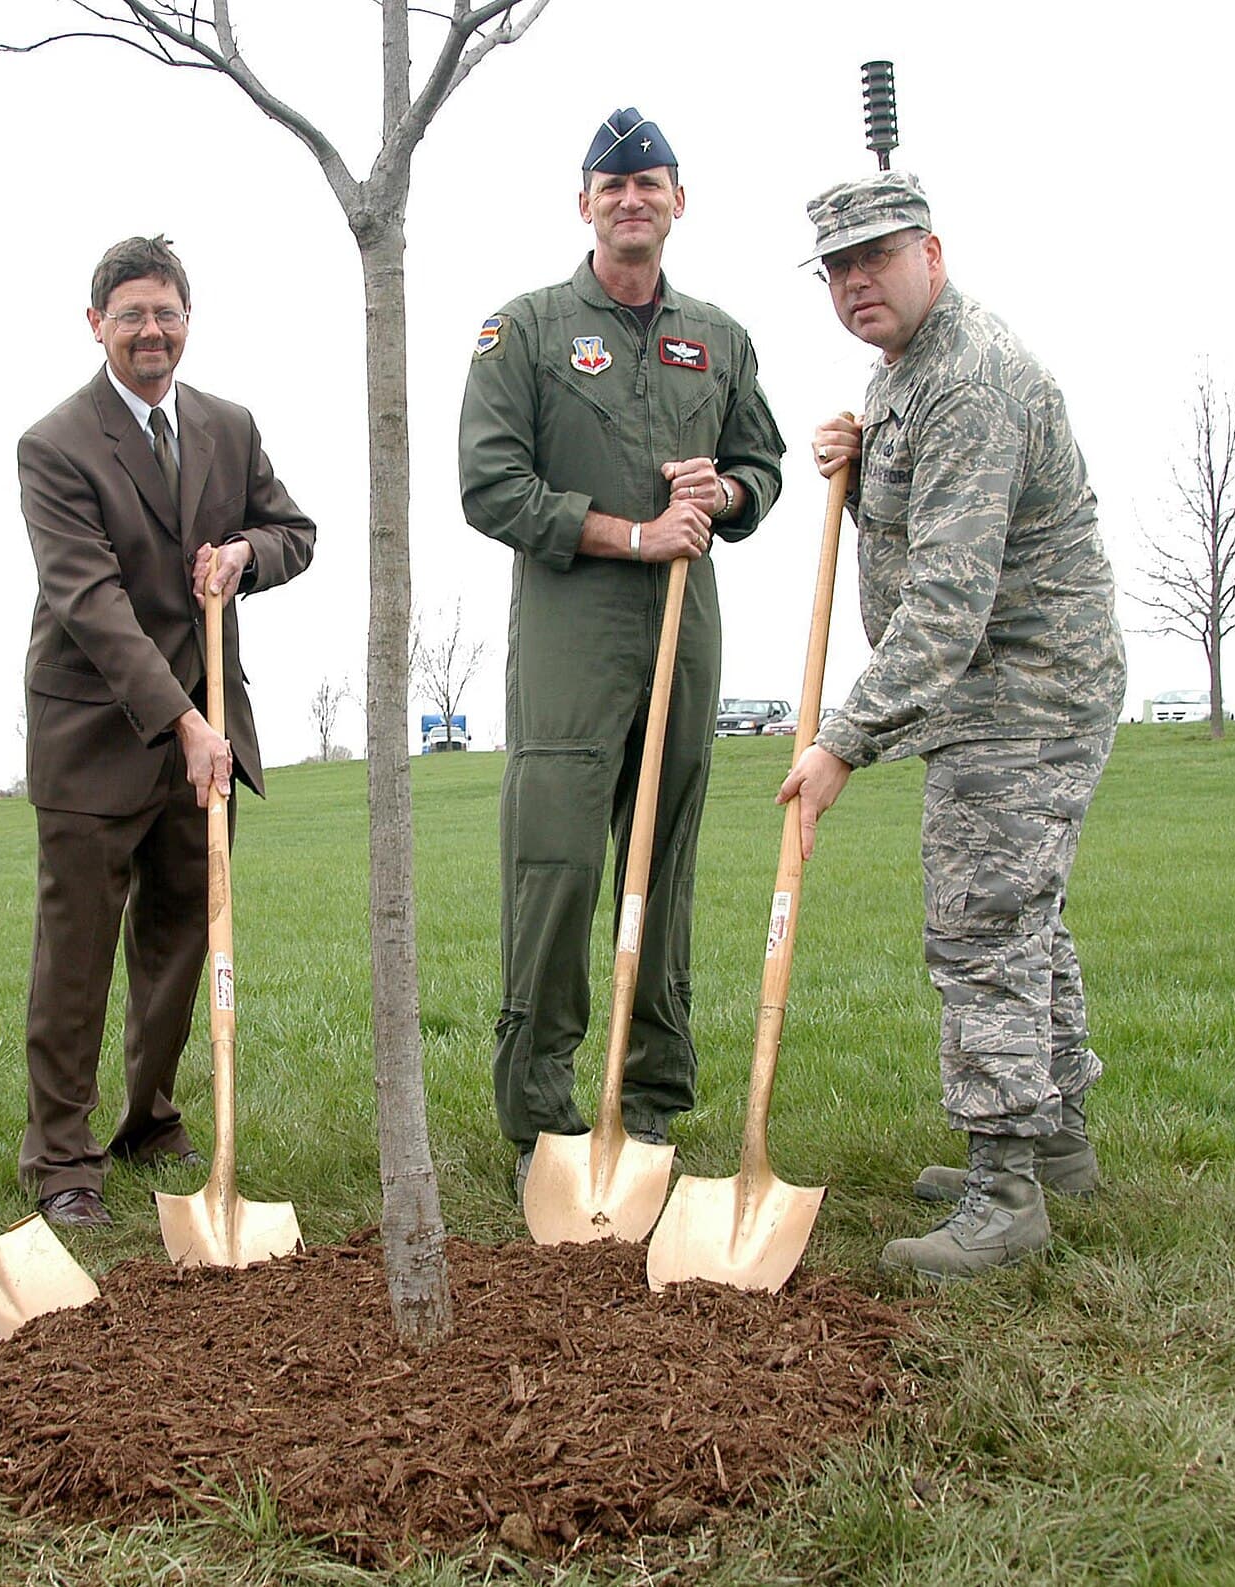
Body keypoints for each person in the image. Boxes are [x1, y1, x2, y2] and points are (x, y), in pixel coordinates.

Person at [782, 173, 1126, 1279]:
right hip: (994, 687)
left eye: (874, 258)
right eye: (836, 268)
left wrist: (844, 740)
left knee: (983, 923)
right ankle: (1056, 1140)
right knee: (1026, 915)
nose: (854, 283)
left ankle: (1005, 1194)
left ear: (932, 251)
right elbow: (912, 507)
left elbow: (947, 604)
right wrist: (865, 449)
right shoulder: (910, 374)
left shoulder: (972, 382)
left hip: (1022, 687)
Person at [458, 108, 785, 1197]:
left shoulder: (721, 338)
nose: (632, 198)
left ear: (679, 200)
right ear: (584, 202)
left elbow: (762, 465)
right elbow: (490, 486)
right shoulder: (529, 331)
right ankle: (541, 1112)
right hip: (571, 634)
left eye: (651, 182)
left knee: (667, 863)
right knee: (556, 863)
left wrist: (726, 491)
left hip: (686, 632)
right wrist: (630, 532)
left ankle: (650, 1102)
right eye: (613, 184)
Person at [17, 235, 316, 1229]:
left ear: (188, 320)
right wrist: (183, 723)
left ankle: (148, 1120)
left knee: (180, 943)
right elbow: (90, 602)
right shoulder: (56, 445)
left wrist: (244, 554)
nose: (153, 331)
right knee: (77, 957)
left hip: (209, 737)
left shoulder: (229, 427)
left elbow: (294, 532)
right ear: (96, 323)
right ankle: (61, 1160)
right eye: (132, 314)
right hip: (98, 735)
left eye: (168, 312)